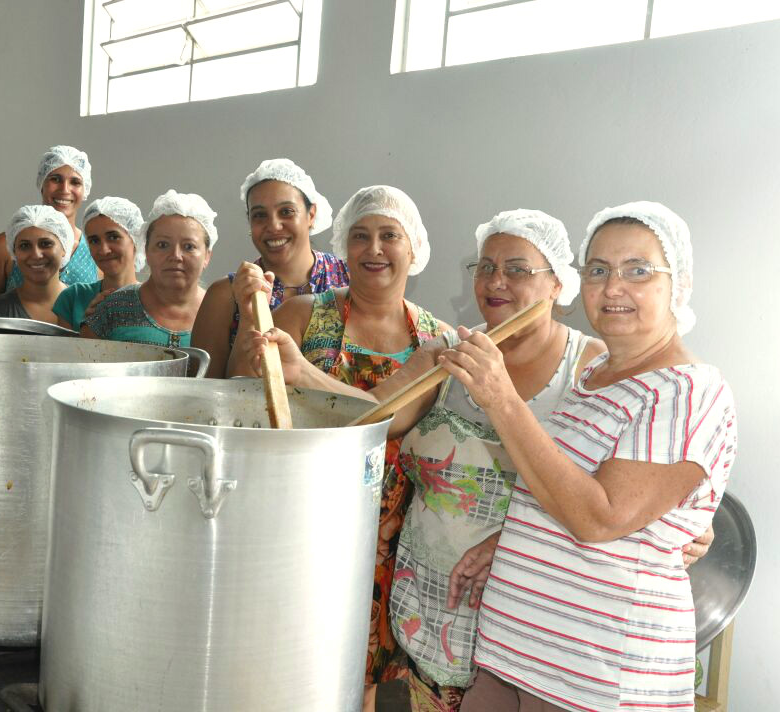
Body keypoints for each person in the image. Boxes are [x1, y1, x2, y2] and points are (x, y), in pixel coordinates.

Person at [241, 208, 713, 712]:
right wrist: (303, 374)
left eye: (517, 269)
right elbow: (380, 416)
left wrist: (679, 526)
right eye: (485, 267)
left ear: (557, 284)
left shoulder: (593, 366)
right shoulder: (450, 351)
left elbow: (624, 488)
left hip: (546, 629)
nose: (495, 282)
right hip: (430, 602)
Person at [437, 202, 736, 712]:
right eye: (598, 269)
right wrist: (509, 541)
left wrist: (502, 398)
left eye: (637, 270)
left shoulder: (688, 390)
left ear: (678, 285)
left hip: (594, 678)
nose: (613, 286)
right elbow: (562, 484)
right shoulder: (592, 380)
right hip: (515, 655)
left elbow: (599, 517)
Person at [231, 185, 448, 701]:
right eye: (360, 236)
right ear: (343, 247)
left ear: (413, 248)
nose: (374, 249)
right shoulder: (303, 314)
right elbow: (244, 391)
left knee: (363, 680)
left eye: (388, 236)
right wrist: (248, 318)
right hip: (297, 518)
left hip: (389, 537)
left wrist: (303, 372)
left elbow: (387, 418)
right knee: (281, 658)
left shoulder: (434, 338)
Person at [190, 158, 347, 377]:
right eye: (260, 215)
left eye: (287, 212)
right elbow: (205, 391)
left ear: (311, 215)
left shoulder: (348, 280)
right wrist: (248, 318)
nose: (273, 226)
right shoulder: (226, 295)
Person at [80, 190, 214, 348]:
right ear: (146, 251)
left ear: (207, 256)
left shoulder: (221, 315)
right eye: (163, 245)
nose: (176, 256)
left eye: (189, 246)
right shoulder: (112, 309)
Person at [0, 145, 99, 306]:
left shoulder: (95, 250)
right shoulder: (3, 246)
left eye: (75, 182)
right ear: (41, 183)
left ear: (85, 190)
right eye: (55, 179)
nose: (65, 189)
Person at [53, 196, 143, 330]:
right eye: (94, 241)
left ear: (135, 239)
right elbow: (65, 350)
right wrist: (88, 327)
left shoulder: (153, 298)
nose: (104, 250)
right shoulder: (74, 297)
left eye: (113, 237)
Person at [0, 205, 74, 322]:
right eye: (25, 246)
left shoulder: (84, 305)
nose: (36, 255)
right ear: (14, 252)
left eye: (45, 244)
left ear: (64, 247)